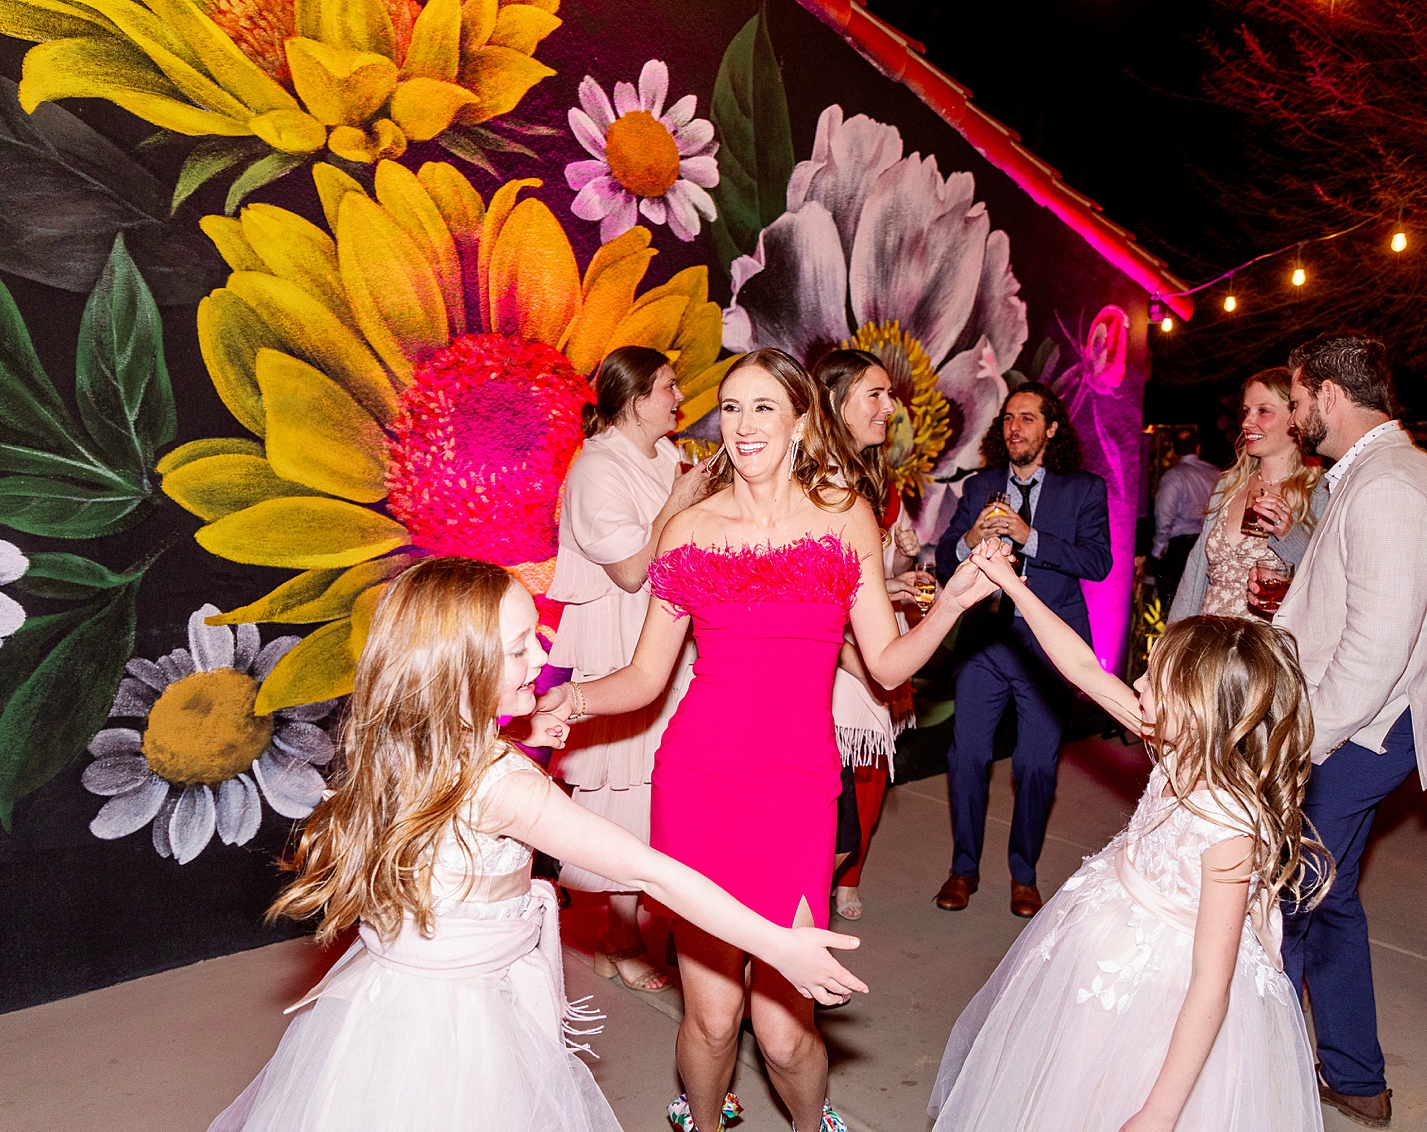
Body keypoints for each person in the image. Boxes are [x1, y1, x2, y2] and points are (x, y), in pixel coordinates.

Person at [209, 557, 866, 1132]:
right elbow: (655, 875)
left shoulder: (398, 741)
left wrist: (530, 753)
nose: (541, 659)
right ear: (461, 667)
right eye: (519, 647)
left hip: (385, 1009)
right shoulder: (503, 786)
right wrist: (777, 943)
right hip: (464, 1029)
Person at [537, 349, 997, 1132]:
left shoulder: (844, 514)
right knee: (713, 1021)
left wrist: (950, 607)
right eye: (732, 408)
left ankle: (814, 1121)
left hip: (796, 790)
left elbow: (885, 663)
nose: (743, 425)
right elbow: (646, 678)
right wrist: (570, 699)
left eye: (762, 408)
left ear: (799, 421)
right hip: (698, 780)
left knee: (785, 1034)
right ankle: (703, 1118)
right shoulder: (689, 529)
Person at [932, 544, 1331, 1132]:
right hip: (1108, 934)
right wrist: (1014, 589)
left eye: (1155, 678)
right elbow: (1085, 671)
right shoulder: (1175, 741)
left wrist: (1160, 1112)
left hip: (1167, 988)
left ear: (1197, 710)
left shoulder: (1227, 823)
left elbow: (1210, 982)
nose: (1137, 682)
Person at [1267, 332, 1427, 1128]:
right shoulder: (1389, 474)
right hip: (1367, 728)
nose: (1291, 413)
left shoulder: (1391, 486)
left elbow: (1374, 654)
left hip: (1354, 736)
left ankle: (1265, 1071)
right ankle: (1356, 1076)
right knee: (1331, 898)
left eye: (1295, 396)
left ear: (1328, 395)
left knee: (1279, 900)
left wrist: (1300, 743)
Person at [547, 346, 709, 992]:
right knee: (624, 786)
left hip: (664, 635)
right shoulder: (596, 470)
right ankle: (619, 935)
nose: (678, 398)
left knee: (658, 780)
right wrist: (678, 502)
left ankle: (645, 924)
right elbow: (630, 569)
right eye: (669, 387)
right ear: (636, 398)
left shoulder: (665, 455)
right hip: (618, 640)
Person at [933, 382, 1113, 919]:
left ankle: (1024, 874)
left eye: (1028, 418)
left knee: (1035, 766)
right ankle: (963, 868)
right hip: (985, 642)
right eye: (1009, 418)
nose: (1015, 427)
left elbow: (1098, 562)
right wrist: (968, 542)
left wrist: (1027, 535)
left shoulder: (1084, 490)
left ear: (1051, 429)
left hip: (1046, 650)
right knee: (966, 757)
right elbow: (946, 555)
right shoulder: (981, 485)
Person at [815, 348, 934, 922]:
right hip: (818, 665)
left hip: (862, 644)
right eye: (876, 395)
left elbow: (856, 580)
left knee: (845, 810)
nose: (891, 407)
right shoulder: (817, 481)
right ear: (836, 402)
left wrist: (899, 588)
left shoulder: (871, 476)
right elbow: (813, 591)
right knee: (817, 825)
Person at [1168, 368, 1320, 622]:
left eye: (1263, 411)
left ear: (1294, 416)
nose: (1247, 423)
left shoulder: (1317, 492)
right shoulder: (1228, 486)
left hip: (1266, 651)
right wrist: (1171, 644)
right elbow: (1195, 571)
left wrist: (1289, 535)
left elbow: (1326, 580)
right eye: (1247, 411)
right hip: (1209, 645)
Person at [1151, 427, 1221, 611]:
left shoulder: (1173, 477)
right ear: (1197, 448)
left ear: (1174, 450)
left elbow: (1164, 517)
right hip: (1208, 546)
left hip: (1179, 550)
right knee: (1201, 605)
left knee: (1175, 606)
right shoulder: (1216, 474)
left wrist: (1158, 551)